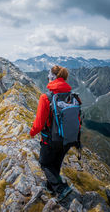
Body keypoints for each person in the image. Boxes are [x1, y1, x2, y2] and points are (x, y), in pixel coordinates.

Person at [30, 65, 73, 200]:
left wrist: (31, 133)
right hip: (67, 139)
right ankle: (50, 187)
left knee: (45, 163)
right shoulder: (70, 95)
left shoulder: (46, 97)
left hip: (50, 139)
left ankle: (61, 189)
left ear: (52, 78)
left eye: (49, 76)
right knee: (55, 164)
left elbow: (39, 123)